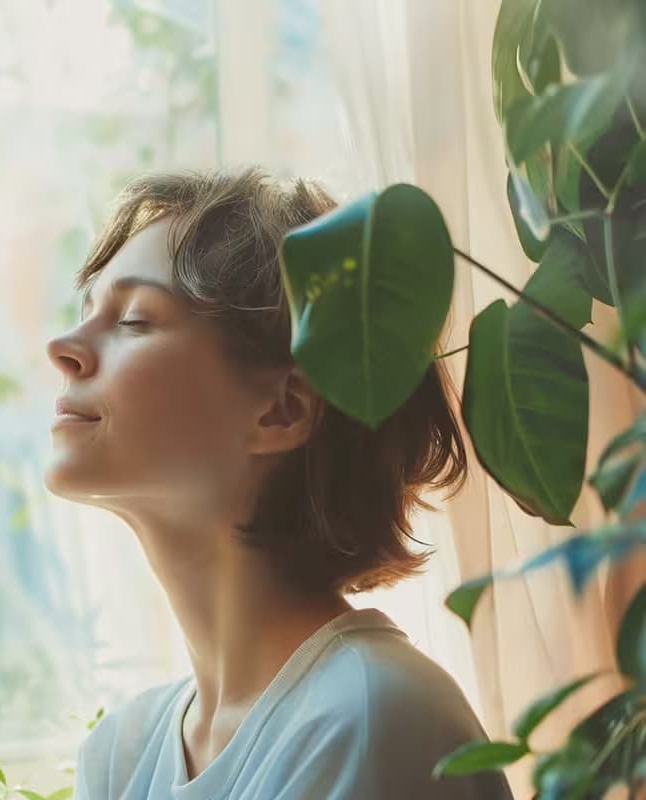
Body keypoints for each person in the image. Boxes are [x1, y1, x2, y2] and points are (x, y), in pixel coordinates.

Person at [44, 165, 514, 799]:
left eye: (133, 320)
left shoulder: (372, 719)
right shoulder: (121, 754)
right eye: (87, 311)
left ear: (283, 410)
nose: (63, 347)